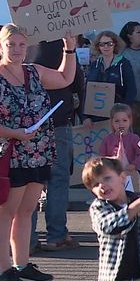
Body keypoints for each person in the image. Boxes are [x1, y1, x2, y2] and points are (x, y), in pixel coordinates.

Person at [0, 24, 76, 281]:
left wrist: (70, 48)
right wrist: (16, 133)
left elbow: (66, 78)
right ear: (2, 46)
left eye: (22, 44)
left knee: (26, 211)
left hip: (38, 150)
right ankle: (4, 269)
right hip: (9, 153)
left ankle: (22, 265)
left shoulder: (33, 71)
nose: (17, 49)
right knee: (6, 213)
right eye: (11, 44)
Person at [26, 39, 85, 254]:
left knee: (30, 180)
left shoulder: (23, 43)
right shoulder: (62, 41)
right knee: (57, 179)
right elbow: (75, 78)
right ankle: (56, 235)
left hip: (28, 123)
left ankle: (27, 238)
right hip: (57, 116)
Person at [83, 158, 140, 281]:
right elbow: (109, 227)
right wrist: (136, 207)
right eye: (95, 184)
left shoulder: (139, 199)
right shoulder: (99, 207)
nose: (102, 186)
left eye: (107, 178)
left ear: (122, 177)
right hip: (115, 276)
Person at [84, 31, 137, 125]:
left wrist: (122, 113)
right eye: (102, 44)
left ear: (115, 45)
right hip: (96, 118)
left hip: (117, 116)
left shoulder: (124, 64)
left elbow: (131, 91)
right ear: (98, 46)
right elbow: (87, 91)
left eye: (109, 44)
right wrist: (85, 117)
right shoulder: (94, 65)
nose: (106, 47)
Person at [99, 104, 140, 192]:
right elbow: (102, 156)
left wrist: (134, 165)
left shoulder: (134, 138)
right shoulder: (108, 139)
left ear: (130, 121)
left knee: (131, 198)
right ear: (112, 123)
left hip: (129, 174)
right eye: (117, 121)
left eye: (124, 120)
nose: (121, 124)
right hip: (112, 175)